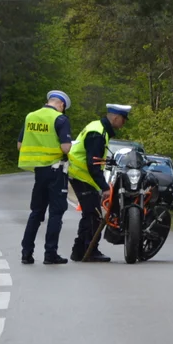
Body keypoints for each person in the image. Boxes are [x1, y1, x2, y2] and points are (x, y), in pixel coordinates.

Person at [67, 104, 131, 262]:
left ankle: (80, 251)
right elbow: (92, 163)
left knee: (91, 214)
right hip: (82, 176)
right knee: (93, 215)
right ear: (115, 118)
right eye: (123, 120)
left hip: (83, 176)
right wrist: (104, 187)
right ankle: (88, 250)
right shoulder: (97, 132)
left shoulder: (99, 128)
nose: (123, 123)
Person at [17, 90, 74, 265]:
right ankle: (50, 253)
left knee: (36, 212)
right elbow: (65, 148)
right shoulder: (60, 119)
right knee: (56, 212)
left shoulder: (30, 117)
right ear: (62, 106)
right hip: (56, 171)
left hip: (39, 173)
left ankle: (26, 253)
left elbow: (20, 145)